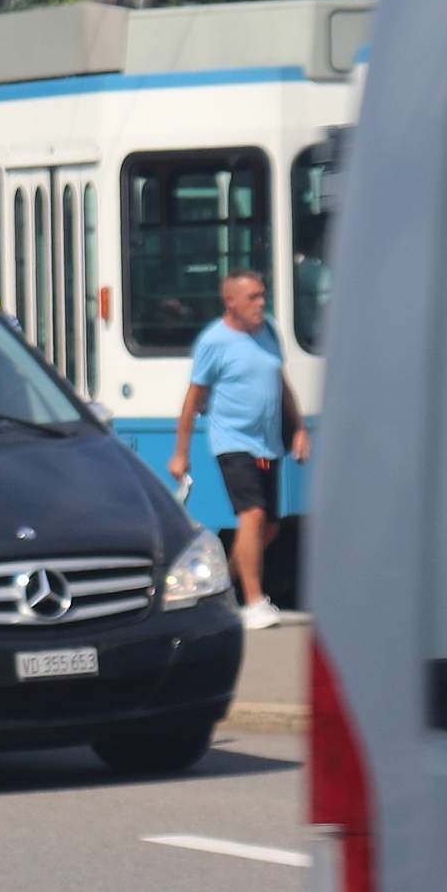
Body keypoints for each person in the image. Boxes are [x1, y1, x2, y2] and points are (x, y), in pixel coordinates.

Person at [168, 270, 310, 630]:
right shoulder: (214, 342)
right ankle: (253, 601)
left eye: (262, 295)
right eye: (253, 298)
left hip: (267, 443)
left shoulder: (268, 332)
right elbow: (192, 400)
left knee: (270, 528)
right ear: (230, 302)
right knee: (253, 515)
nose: (261, 303)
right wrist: (181, 452)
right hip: (232, 441)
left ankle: (218, 589)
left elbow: (280, 383)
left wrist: (299, 430)